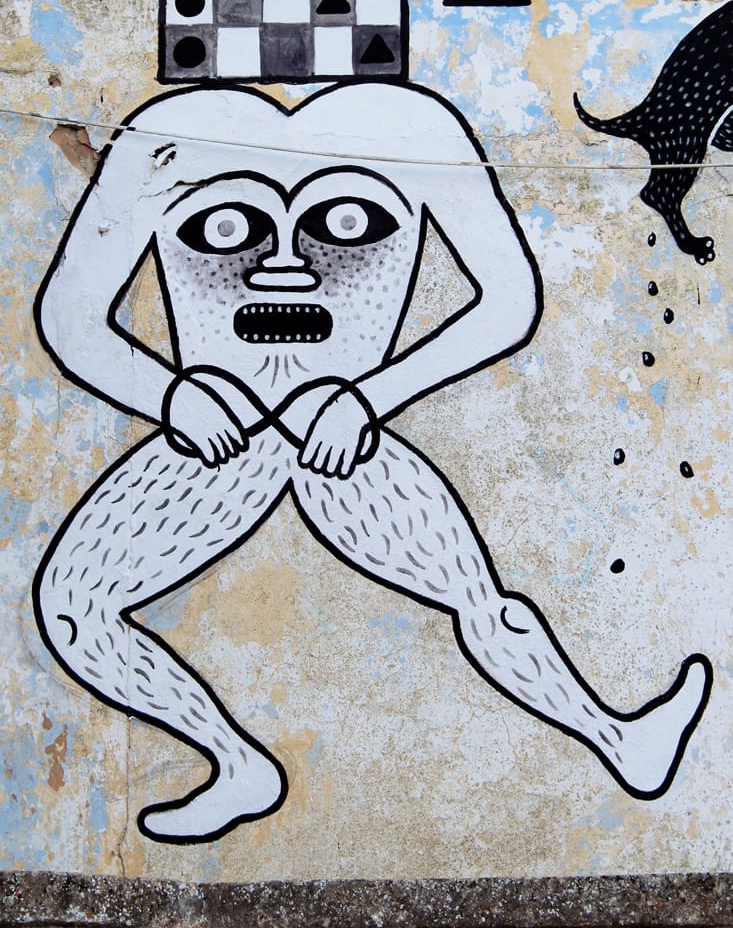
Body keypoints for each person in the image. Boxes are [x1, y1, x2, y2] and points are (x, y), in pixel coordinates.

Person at [34, 82, 712, 843]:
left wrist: (368, 399)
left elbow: (507, 300)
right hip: (221, 434)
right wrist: (170, 395)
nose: (284, 270)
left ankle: (623, 742)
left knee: (477, 601)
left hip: (339, 434)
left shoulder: (414, 127)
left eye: (342, 226)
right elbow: (69, 313)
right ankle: (237, 764)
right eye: (228, 230)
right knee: (74, 607)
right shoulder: (168, 131)